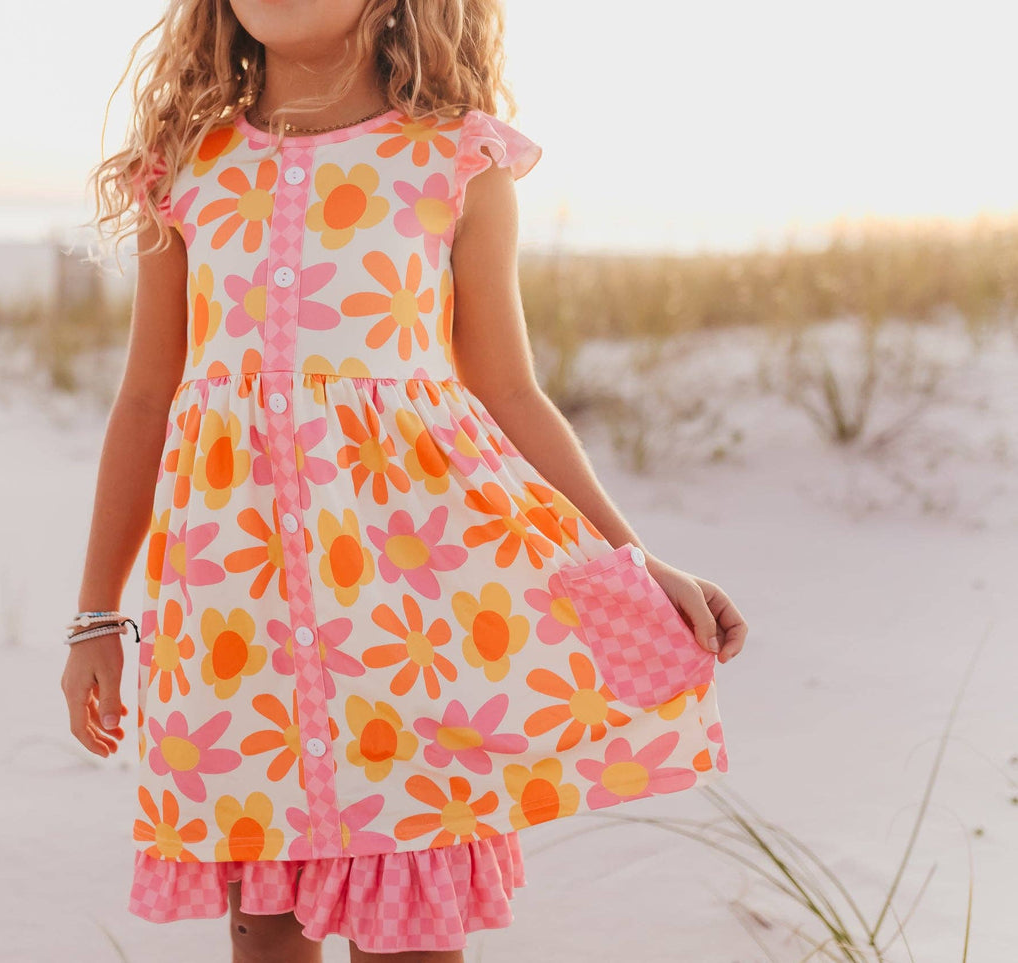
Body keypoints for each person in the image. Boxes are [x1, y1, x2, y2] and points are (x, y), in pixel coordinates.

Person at [66, 0, 749, 958]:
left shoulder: (457, 163)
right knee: (265, 927)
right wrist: (97, 614)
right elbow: (145, 400)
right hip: (236, 623)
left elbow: (508, 390)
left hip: (412, 612)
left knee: (412, 926)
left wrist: (633, 557)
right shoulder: (185, 166)